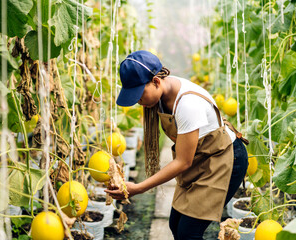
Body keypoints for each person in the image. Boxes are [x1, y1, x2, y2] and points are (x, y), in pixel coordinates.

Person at [104, 50, 249, 240]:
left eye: (139, 94)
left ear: (156, 81)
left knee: (189, 233)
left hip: (225, 160)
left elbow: (183, 162)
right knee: (176, 225)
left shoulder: (187, 105)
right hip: (201, 158)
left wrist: (138, 188)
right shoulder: (164, 92)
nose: (138, 102)